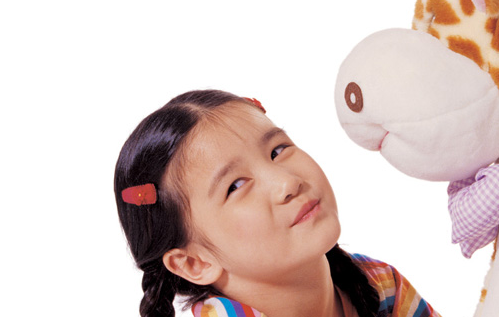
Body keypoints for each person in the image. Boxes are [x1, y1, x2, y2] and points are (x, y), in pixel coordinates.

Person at [114, 89, 440, 317]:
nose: (287, 183)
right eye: (235, 186)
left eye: (277, 151)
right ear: (194, 262)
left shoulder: (377, 283)